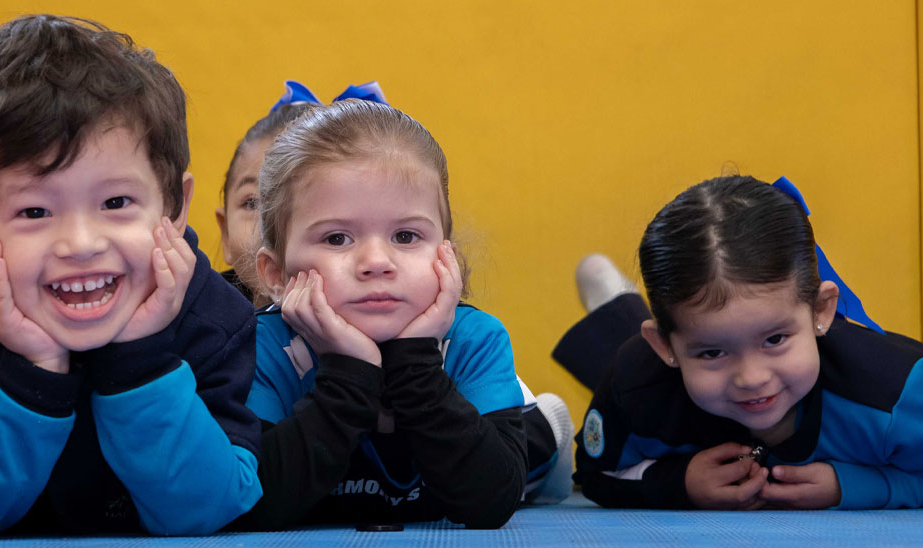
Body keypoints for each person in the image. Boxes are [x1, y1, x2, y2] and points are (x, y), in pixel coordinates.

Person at [0, 14, 261, 537]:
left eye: (116, 202)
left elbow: (206, 510)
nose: (80, 244)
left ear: (173, 208)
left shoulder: (214, 318)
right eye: (35, 212)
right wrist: (33, 372)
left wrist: (141, 362)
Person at [232, 99, 571, 531]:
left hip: (502, 439)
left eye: (406, 236)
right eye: (337, 238)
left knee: (534, 450)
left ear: (447, 259)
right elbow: (251, 503)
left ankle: (550, 422)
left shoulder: (474, 340)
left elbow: (491, 504)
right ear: (276, 274)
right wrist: (350, 374)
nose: (377, 261)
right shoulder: (261, 348)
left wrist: (414, 364)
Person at [564, 175, 923, 510]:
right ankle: (614, 304)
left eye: (775, 339)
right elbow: (595, 474)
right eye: (713, 352)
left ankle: (622, 308)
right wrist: (679, 483)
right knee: (629, 371)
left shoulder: (897, 391)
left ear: (821, 310)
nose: (751, 378)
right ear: (665, 347)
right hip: (649, 371)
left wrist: (863, 485)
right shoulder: (636, 383)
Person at [215, 81, 385, 305]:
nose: (272, 222)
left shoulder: (392, 311)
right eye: (253, 202)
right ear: (225, 233)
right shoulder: (198, 319)